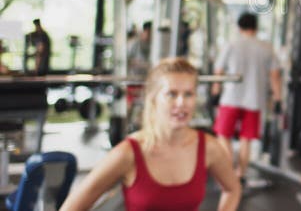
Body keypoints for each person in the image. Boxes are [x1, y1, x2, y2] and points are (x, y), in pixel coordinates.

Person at [60, 57, 241, 211]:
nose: (181, 103)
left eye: (188, 94)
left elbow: (233, 189)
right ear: (154, 99)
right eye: (171, 94)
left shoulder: (208, 147)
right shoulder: (127, 153)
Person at [211, 12, 281, 185]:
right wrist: (278, 98)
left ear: (239, 26)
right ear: (255, 27)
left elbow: (218, 71)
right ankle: (240, 173)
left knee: (223, 135)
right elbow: (274, 75)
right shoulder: (266, 47)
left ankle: (229, 170)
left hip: (231, 97)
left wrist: (215, 90)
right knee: (246, 139)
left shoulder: (231, 44)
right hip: (254, 99)